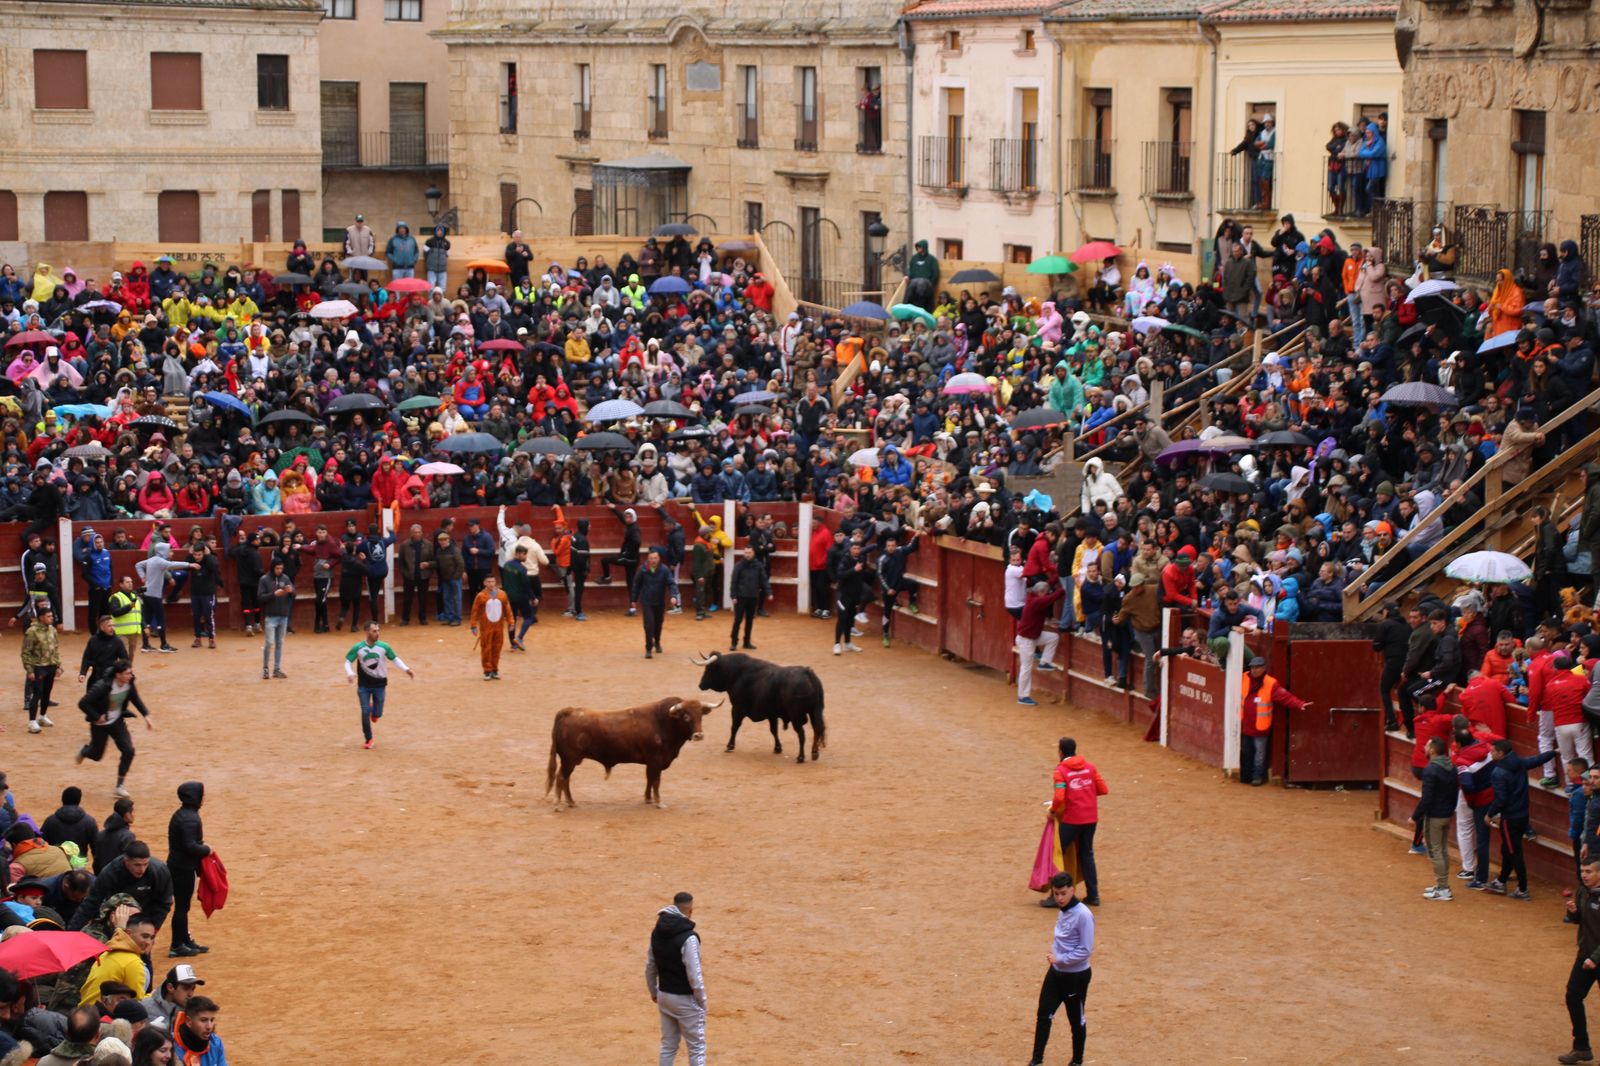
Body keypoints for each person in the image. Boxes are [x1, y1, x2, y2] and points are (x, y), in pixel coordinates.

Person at [1028, 870, 1094, 1066]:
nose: (1059, 898)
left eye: (1063, 893)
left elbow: (1086, 950)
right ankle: (1036, 1060)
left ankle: (1078, 1061)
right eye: (1056, 894)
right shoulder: (1063, 911)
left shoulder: (1084, 915)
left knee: (1076, 1021)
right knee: (1043, 1015)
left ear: (1072, 890)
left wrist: (1060, 959)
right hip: (1056, 973)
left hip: (1076, 976)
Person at [1486, 737, 1559, 899]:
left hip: (1510, 818)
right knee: (1508, 849)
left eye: (1492, 752)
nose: (1490, 754)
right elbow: (1537, 760)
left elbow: (1501, 799)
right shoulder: (1519, 763)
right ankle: (1501, 880)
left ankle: (1523, 888)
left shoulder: (1499, 772)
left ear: (1500, 753)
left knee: (1513, 851)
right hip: (1522, 815)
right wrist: (1553, 752)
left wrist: (1490, 813)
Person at [645, 891, 706, 1066]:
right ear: (691, 911)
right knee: (696, 1049)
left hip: (664, 995)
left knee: (668, 1046)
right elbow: (695, 976)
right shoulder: (689, 938)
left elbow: (650, 965)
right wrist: (702, 1001)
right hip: (686, 1000)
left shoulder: (657, 932)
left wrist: (654, 991)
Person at [76, 660, 153, 799]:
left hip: (117, 721)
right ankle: (84, 751)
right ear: (118, 675)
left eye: (131, 672)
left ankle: (120, 785)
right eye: (127, 673)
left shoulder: (129, 684)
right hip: (100, 724)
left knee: (129, 750)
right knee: (97, 755)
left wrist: (146, 715)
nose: (130, 675)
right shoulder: (102, 686)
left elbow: (136, 699)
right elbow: (83, 703)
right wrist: (97, 717)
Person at [1050, 737, 1107, 906]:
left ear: (1060, 752)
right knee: (1087, 854)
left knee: (1058, 852)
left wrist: (1052, 811)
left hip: (1072, 818)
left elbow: (1059, 796)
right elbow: (1103, 789)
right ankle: (1093, 895)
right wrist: (1084, 792)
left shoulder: (1060, 771)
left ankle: (1057, 895)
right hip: (1090, 819)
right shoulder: (1090, 767)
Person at [71, 839, 173, 931]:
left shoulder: (159, 871)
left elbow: (164, 902)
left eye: (145, 864)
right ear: (126, 861)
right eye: (137, 865)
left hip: (145, 915)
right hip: (117, 918)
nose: (142, 869)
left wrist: (153, 927)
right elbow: (92, 902)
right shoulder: (110, 873)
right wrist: (73, 931)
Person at [1239, 655, 1310, 786]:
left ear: (1264, 668)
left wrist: (1299, 704)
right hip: (1246, 725)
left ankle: (1257, 777)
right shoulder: (1244, 678)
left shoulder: (1270, 683)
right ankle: (1246, 776)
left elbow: (1285, 697)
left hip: (1261, 726)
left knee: (1259, 754)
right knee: (1247, 752)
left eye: (1257, 667)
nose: (1254, 670)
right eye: (1252, 667)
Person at [344, 622, 414, 749]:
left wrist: (406, 669)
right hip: (364, 685)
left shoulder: (384, 647)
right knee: (365, 711)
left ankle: (374, 712)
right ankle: (368, 739)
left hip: (380, 684)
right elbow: (348, 661)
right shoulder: (358, 647)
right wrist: (349, 673)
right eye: (374, 631)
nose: (377, 633)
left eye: (378, 630)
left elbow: (394, 659)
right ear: (366, 632)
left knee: (377, 714)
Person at [164, 782, 210, 959]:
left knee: (183, 906)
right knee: (182, 907)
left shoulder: (184, 815)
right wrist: (207, 849)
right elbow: (191, 847)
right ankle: (177, 944)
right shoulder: (190, 818)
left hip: (179, 865)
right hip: (183, 868)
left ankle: (184, 940)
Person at [1563, 858, 1600, 1064]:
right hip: (1586, 955)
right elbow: (1580, 922)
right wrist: (1573, 912)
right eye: (1582, 871)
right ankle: (1581, 1047)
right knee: (1573, 996)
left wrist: (1595, 958)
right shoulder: (1583, 892)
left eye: (1589, 871)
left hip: (1595, 957)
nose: (1584, 875)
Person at [1413, 736, 1459, 900]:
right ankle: (1442, 885)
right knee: (1442, 849)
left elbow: (1427, 798)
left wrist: (1416, 816)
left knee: (1436, 851)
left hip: (1435, 816)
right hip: (1446, 814)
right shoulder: (1452, 767)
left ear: (1432, 750)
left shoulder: (1430, 770)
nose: (1424, 748)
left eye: (1426, 746)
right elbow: (1455, 792)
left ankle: (1443, 888)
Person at [79, 913, 157, 1005]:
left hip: (86, 1012)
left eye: (151, 938)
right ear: (128, 933)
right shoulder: (133, 962)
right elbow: (136, 1004)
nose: (148, 942)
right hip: (102, 1017)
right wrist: (152, 997)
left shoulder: (107, 953)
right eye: (144, 936)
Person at [135, 544, 197, 654]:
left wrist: (142, 577)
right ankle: (163, 645)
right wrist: (189, 564)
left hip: (146, 593)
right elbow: (172, 565)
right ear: (163, 551)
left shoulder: (151, 560)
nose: (171, 553)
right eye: (169, 551)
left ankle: (145, 645)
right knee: (160, 619)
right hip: (155, 595)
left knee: (147, 620)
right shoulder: (160, 561)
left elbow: (138, 565)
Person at [1016, 582, 1064, 707]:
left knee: (1053, 637)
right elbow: (1052, 598)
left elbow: (1048, 594)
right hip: (1026, 640)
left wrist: (1056, 577)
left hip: (1033, 636)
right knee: (1026, 668)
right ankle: (1022, 696)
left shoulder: (1034, 598)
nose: (1048, 594)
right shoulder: (1036, 602)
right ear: (1041, 592)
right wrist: (1064, 588)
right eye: (1046, 592)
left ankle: (1044, 662)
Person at [631, 549, 679, 660]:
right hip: (647, 601)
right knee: (648, 625)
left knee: (658, 623)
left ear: (659, 559)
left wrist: (673, 596)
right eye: (651, 558)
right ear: (648, 559)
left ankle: (657, 641)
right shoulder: (642, 570)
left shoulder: (664, 570)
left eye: (655, 558)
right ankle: (648, 648)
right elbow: (636, 585)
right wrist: (634, 599)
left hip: (659, 601)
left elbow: (671, 583)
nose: (653, 560)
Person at [21, 603, 60, 734]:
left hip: (50, 666)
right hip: (38, 667)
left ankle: (42, 716)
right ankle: (32, 722)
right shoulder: (32, 631)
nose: (52, 618)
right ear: (41, 617)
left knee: (47, 693)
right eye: (49, 616)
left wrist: (58, 665)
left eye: (52, 616)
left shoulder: (52, 630)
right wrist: (29, 670)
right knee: (37, 694)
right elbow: (26, 652)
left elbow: (55, 648)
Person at [469, 574, 512, 681]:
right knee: (486, 648)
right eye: (488, 582)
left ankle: (495, 670)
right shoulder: (480, 596)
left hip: (498, 626)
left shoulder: (502, 594)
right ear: (484, 583)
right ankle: (487, 670)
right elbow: (475, 611)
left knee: (497, 648)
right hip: (486, 627)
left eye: (492, 581)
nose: (491, 584)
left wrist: (511, 622)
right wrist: (473, 625)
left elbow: (508, 609)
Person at [727, 545, 770, 651]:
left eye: (749, 552)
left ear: (753, 553)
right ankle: (734, 642)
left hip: (753, 596)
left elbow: (764, 580)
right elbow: (734, 582)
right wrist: (733, 596)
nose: (747, 555)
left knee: (749, 620)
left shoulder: (758, 566)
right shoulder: (739, 566)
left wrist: (769, 592)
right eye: (745, 552)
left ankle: (747, 642)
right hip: (740, 597)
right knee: (738, 620)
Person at [257, 557, 294, 680]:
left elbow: (294, 594)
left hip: (283, 616)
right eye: (277, 568)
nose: (279, 570)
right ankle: (265, 669)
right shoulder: (264, 579)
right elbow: (260, 598)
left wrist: (290, 591)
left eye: (281, 568)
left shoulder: (285, 578)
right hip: (271, 616)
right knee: (269, 642)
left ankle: (276, 669)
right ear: (272, 568)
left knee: (279, 643)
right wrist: (274, 594)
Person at [143, 964, 203, 1032]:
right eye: (186, 988)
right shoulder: (144, 1008)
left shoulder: (192, 1014)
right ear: (170, 987)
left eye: (193, 989)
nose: (190, 994)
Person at [172, 996, 226, 1066]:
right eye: (203, 1020)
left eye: (211, 1020)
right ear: (189, 1022)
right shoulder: (171, 1048)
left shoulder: (215, 1043)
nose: (209, 1026)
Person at [107, 574, 143, 661]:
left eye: (131, 582)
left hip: (134, 632)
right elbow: (115, 613)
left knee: (131, 655)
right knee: (122, 656)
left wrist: (144, 626)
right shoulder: (116, 597)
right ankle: (118, 673)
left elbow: (139, 614)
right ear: (121, 584)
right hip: (121, 633)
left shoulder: (135, 597)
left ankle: (128, 673)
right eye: (127, 582)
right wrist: (129, 606)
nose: (130, 584)